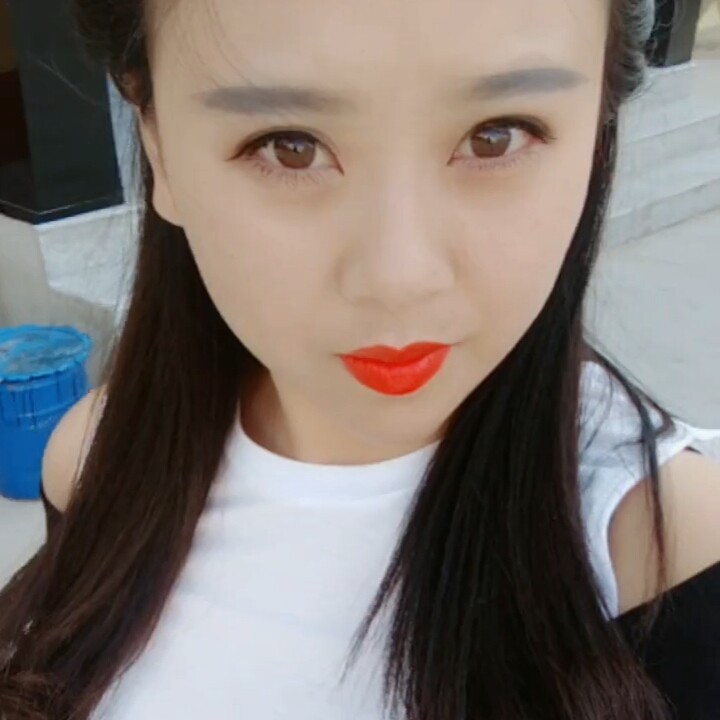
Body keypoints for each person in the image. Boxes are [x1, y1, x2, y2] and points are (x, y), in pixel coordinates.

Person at [1, 0, 719, 717]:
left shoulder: (667, 551)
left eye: (497, 135)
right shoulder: (94, 459)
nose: (399, 277)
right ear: (158, 144)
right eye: (289, 146)